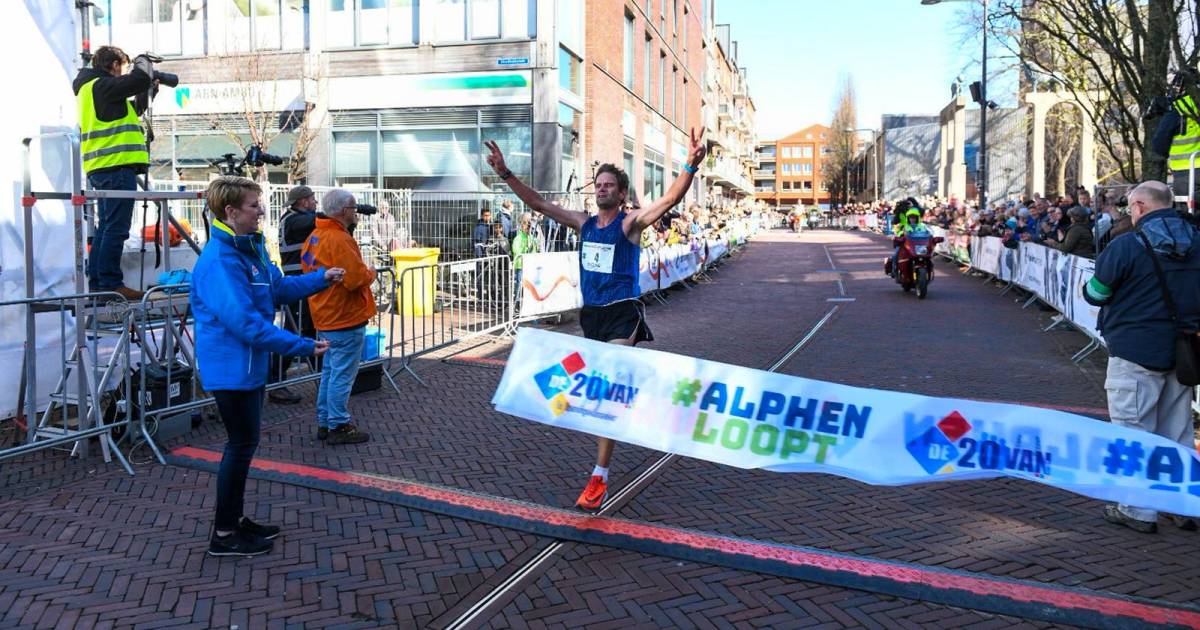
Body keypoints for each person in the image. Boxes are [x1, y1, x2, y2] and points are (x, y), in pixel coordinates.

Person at [484, 128, 707, 511]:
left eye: (608, 185)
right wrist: (505, 174)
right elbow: (538, 204)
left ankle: (599, 476)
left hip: (623, 313)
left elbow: (670, 198)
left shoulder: (630, 225)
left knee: (605, 389)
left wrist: (689, 164)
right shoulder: (583, 223)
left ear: (621, 194)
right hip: (592, 317)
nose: (601, 189)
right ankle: (633, 397)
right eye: (598, 185)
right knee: (596, 386)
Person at [191, 176, 341, 557]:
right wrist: (303, 345)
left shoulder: (251, 250)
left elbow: (278, 289)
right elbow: (245, 323)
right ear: (230, 212)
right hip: (231, 371)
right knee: (239, 446)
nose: (261, 212)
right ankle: (223, 534)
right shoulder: (221, 261)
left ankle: (234, 521)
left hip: (248, 368)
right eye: (254, 205)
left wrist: (321, 278)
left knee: (244, 445)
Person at [1083, 180, 1200, 533]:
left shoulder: (1127, 246)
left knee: (1132, 432)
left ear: (1140, 208)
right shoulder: (1197, 241)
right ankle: (1183, 505)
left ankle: (1138, 510)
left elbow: (1095, 292)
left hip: (1135, 350)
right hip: (1184, 352)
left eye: (1131, 207)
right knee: (1177, 432)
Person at [72, 45, 154, 300]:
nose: (123, 73)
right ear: (114, 65)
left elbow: (130, 112)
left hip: (103, 167)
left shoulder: (91, 89)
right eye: (123, 66)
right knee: (116, 229)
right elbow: (139, 78)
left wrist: (149, 91)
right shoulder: (102, 85)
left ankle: (99, 285)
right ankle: (110, 284)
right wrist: (143, 61)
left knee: (107, 227)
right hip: (115, 167)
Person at [302, 190, 377, 446]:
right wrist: (371, 274)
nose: (356, 212)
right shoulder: (338, 239)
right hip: (344, 316)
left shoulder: (315, 235)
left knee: (330, 372)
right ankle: (338, 424)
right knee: (341, 375)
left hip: (324, 314)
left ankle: (326, 421)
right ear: (344, 210)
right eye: (354, 208)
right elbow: (355, 279)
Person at [269, 185, 320, 405]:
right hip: (295, 285)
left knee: (306, 331)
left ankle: (322, 379)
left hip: (301, 284)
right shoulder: (293, 220)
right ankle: (275, 383)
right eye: (312, 199)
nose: (315, 203)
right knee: (298, 331)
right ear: (302, 202)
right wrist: (338, 212)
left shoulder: (295, 219)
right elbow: (318, 221)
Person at [1149, 68, 1200, 203]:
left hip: (1187, 172)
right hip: (1190, 171)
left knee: (1189, 217)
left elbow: (1158, 144)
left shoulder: (1179, 108)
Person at [511, 212, 541, 307]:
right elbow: (515, 250)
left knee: (530, 286)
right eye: (525, 224)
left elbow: (536, 250)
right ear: (521, 225)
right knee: (519, 286)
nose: (527, 226)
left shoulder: (532, 237)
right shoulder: (518, 238)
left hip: (530, 266)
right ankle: (517, 304)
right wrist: (525, 251)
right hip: (521, 266)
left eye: (529, 224)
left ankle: (528, 305)